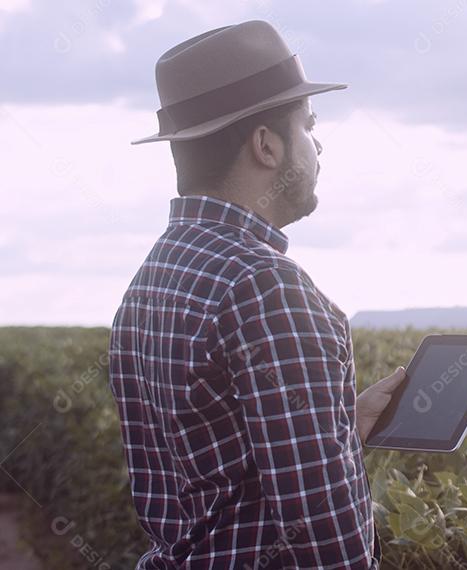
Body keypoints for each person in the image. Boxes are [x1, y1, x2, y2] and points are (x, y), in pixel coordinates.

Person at [107, 20, 404, 569]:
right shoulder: (266, 287)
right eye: (309, 127)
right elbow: (326, 549)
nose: (318, 148)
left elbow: (211, 476)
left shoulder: (155, 275)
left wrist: (337, 428)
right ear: (266, 146)